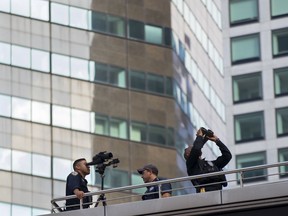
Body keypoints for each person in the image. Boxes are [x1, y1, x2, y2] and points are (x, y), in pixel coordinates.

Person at [184, 127, 232, 193]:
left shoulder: (211, 164)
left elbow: (227, 156)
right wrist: (199, 136)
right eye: (190, 149)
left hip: (219, 195)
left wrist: (217, 141)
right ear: (188, 154)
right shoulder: (191, 165)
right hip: (205, 196)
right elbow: (196, 149)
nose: (193, 147)